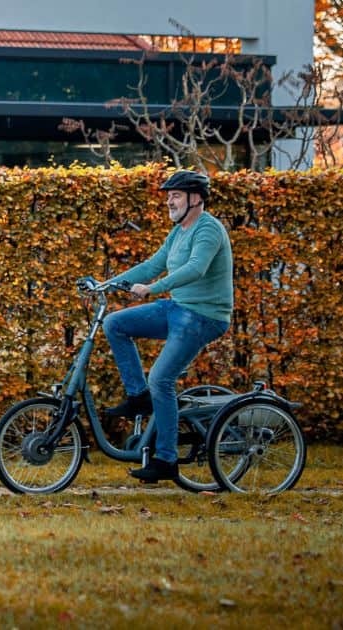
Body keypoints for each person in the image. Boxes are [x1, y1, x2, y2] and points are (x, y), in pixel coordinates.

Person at [102, 170, 233, 483]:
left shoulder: (208, 229)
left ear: (195, 198)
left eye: (175, 195)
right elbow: (152, 264)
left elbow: (195, 269)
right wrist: (107, 283)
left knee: (161, 378)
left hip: (203, 315)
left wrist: (153, 288)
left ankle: (166, 459)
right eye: (168, 196)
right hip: (176, 309)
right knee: (114, 323)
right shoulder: (178, 232)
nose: (169, 201)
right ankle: (138, 397)